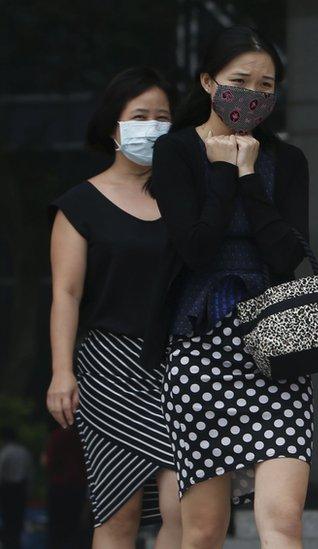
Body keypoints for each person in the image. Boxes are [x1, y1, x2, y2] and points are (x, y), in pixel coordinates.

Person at [141, 26, 312, 548]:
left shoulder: (287, 161)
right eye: (240, 81)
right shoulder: (176, 153)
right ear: (209, 81)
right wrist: (219, 172)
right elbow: (196, 248)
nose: (253, 94)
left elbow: (287, 254)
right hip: (199, 347)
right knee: (203, 532)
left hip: (277, 347)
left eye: (266, 84)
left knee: (282, 520)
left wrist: (246, 177)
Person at [48, 66, 182, 547]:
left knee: (185, 510)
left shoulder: (187, 199)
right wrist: (62, 373)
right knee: (118, 514)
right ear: (113, 126)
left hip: (181, 365)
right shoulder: (79, 204)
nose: (152, 125)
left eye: (163, 117)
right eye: (140, 115)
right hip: (109, 368)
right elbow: (66, 294)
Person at [42, 424, 87, 548]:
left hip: (59, 486)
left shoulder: (56, 436)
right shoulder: (80, 437)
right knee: (74, 528)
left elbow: (49, 462)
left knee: (55, 529)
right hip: (77, 487)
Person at [0, 428, 32, 549]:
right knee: (17, 519)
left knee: (8, 519)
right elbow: (30, 473)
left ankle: (9, 543)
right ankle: (15, 543)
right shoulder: (23, 452)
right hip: (20, 489)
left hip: (8, 489)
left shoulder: (5, 452)